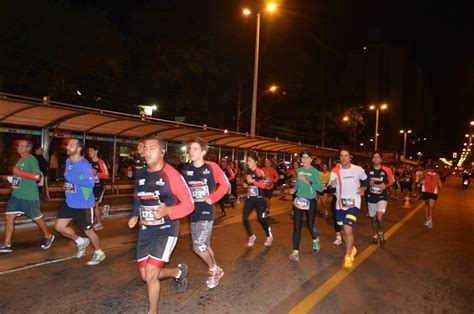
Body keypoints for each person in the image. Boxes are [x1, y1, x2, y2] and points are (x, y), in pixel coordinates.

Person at [128, 136, 194, 314]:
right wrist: (134, 215)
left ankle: (153, 311)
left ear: (162, 152)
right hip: (145, 230)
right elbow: (138, 197)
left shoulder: (172, 175)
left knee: (150, 275)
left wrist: (169, 211)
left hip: (166, 230)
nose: (147, 152)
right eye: (145, 148)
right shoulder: (141, 173)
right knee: (146, 276)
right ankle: (176, 273)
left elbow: (189, 204)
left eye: (152, 148)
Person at [181, 138, 229, 289]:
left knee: (199, 246)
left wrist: (211, 198)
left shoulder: (211, 167)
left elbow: (225, 185)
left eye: (195, 149)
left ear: (203, 152)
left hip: (207, 211)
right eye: (190, 149)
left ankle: (214, 270)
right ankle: (216, 268)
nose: (191, 151)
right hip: (193, 212)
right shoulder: (186, 169)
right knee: (205, 245)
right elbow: (182, 191)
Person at [54, 139, 106, 265]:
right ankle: (80, 241)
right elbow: (69, 179)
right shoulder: (68, 161)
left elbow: (90, 183)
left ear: (78, 149)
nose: (68, 146)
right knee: (59, 227)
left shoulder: (84, 165)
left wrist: (72, 180)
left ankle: (99, 252)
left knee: (88, 231)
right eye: (68, 144)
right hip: (70, 202)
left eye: (71, 145)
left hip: (83, 204)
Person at [0, 140, 55, 253]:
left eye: (21, 146)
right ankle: (7, 244)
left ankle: (48, 235)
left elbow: (37, 177)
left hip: (29, 196)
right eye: (18, 145)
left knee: (37, 219)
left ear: (28, 148)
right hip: (16, 195)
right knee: (9, 217)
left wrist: (18, 173)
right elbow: (20, 177)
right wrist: (11, 179)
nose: (18, 147)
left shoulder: (32, 159)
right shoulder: (20, 160)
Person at [329, 148, 367, 269]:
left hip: (354, 203)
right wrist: (332, 186)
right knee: (343, 231)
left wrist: (363, 189)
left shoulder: (358, 170)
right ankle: (352, 248)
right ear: (339, 158)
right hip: (340, 205)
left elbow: (366, 181)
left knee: (347, 229)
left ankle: (348, 255)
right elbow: (330, 189)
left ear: (350, 157)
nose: (344, 158)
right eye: (342, 156)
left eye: (346, 155)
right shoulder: (335, 171)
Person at [289, 152, 323, 262]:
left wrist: (308, 181)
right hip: (299, 199)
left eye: (306, 157)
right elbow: (298, 185)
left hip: (311, 200)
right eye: (303, 157)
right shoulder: (298, 170)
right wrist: (294, 189)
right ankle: (295, 251)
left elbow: (320, 188)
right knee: (297, 226)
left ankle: (315, 238)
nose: (304, 159)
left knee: (309, 225)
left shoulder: (315, 171)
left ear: (311, 159)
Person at [242, 154, 273, 247]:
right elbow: (250, 183)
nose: (247, 163)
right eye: (247, 161)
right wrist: (246, 185)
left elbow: (264, 185)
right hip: (251, 198)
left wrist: (253, 182)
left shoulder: (259, 172)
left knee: (261, 219)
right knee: (244, 218)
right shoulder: (248, 171)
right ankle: (251, 236)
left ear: (255, 162)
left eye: (250, 161)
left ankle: (269, 235)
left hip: (259, 199)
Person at [365, 151, 394, 247]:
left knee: (379, 217)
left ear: (381, 159)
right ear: (372, 159)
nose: (376, 158)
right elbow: (363, 183)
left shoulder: (387, 170)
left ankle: (380, 233)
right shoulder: (368, 170)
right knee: (373, 218)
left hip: (382, 197)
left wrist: (385, 185)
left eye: (378, 157)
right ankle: (375, 234)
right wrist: (368, 183)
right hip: (371, 197)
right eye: (374, 157)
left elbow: (392, 181)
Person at [87, 146, 110, 230]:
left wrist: (96, 173)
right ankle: (103, 208)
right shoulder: (88, 162)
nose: (89, 152)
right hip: (90, 187)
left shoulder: (100, 162)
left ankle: (99, 223)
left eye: (91, 150)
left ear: (96, 151)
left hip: (99, 186)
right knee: (91, 205)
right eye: (89, 150)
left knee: (94, 205)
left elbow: (106, 175)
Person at [421, 164, 442, 228]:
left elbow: (421, 179)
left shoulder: (425, 173)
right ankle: (430, 219)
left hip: (425, 191)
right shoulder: (437, 175)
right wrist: (440, 187)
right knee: (431, 206)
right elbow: (440, 185)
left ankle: (428, 218)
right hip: (433, 192)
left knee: (427, 205)